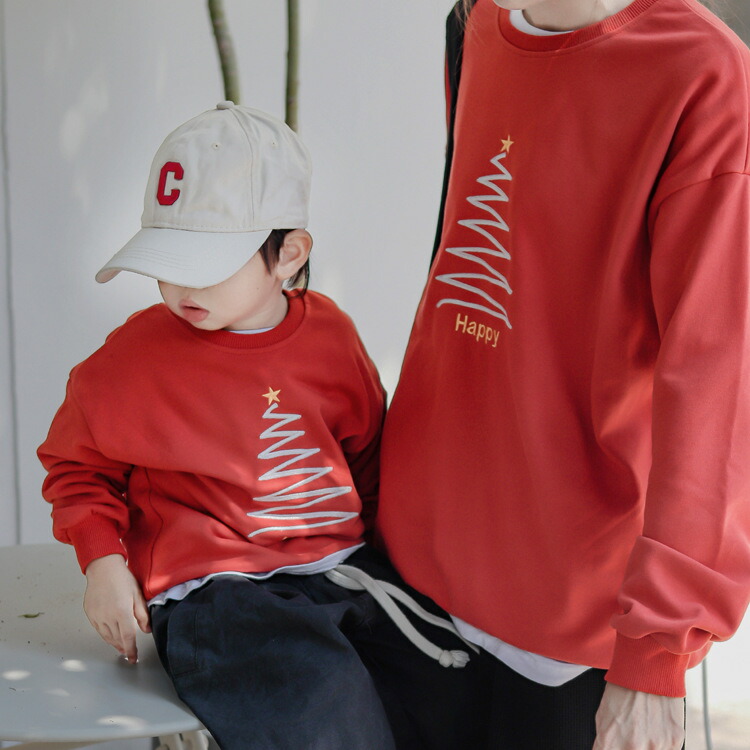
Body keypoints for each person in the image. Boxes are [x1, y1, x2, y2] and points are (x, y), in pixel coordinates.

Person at [37, 103, 476, 750]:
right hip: (217, 591)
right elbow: (76, 467)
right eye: (166, 260)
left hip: (339, 569)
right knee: (320, 708)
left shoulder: (330, 338)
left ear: (288, 254)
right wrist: (103, 562)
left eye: (205, 262)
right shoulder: (132, 360)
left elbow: (367, 459)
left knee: (452, 682)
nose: (180, 285)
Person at [376, 1, 750, 748]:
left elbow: (715, 382)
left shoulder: (701, 74)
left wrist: (659, 646)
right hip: (410, 572)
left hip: (569, 620)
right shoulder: (475, 23)